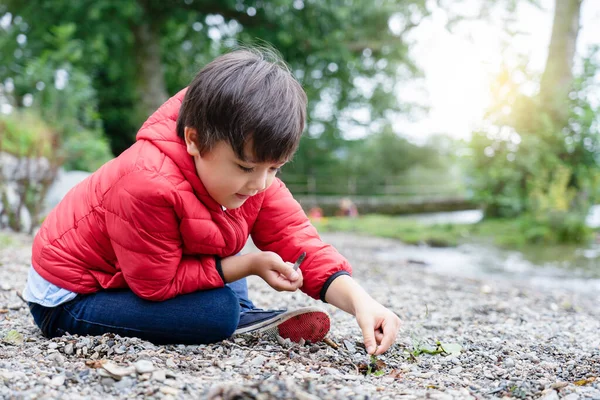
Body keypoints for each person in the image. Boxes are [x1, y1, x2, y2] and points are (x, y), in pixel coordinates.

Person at [23, 48, 400, 355]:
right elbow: (156, 285)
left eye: (275, 168)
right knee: (216, 314)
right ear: (193, 139)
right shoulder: (146, 183)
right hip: (72, 294)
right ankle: (240, 318)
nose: (259, 183)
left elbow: (298, 238)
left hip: (147, 264)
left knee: (223, 270)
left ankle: (247, 315)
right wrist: (248, 264)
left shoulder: (255, 179)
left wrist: (360, 301)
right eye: (245, 166)